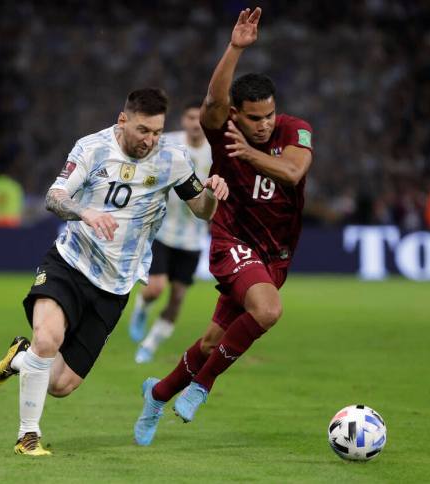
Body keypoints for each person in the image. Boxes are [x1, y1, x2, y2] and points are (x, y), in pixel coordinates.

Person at [0, 88, 229, 456]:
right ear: (123, 120)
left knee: (61, 384)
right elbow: (54, 196)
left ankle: (19, 357)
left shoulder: (172, 160)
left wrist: (214, 191)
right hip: (70, 262)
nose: (151, 140)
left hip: (116, 283)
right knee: (47, 339)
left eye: (157, 132)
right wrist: (86, 212)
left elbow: (203, 211)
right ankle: (27, 436)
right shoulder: (92, 148)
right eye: (144, 130)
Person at [133, 7, 314, 446]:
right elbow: (213, 104)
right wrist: (234, 48)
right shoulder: (223, 127)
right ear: (238, 114)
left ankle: (156, 394)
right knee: (268, 311)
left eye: (269, 115)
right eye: (255, 118)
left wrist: (250, 155)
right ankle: (201, 387)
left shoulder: (296, 130)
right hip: (232, 240)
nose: (265, 123)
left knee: (214, 341)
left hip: (277, 255)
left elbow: (291, 173)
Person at [128, 100, 213, 364]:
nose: (195, 124)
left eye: (200, 118)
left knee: (177, 298)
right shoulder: (168, 143)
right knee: (155, 288)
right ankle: (141, 308)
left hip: (193, 237)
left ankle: (149, 345)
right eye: (190, 117)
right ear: (183, 121)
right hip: (163, 230)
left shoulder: (216, 151)